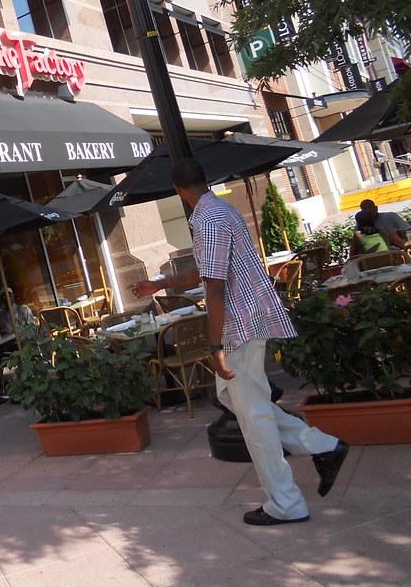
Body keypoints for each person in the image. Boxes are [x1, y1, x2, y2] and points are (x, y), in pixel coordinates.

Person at [130, 158, 349, 526]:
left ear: (177, 191)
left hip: (239, 326)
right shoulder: (220, 210)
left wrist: (215, 347)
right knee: (232, 398)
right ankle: (322, 446)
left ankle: (286, 502)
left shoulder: (208, 220)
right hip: (247, 320)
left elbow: (214, 287)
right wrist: (161, 285)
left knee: (255, 417)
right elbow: (206, 270)